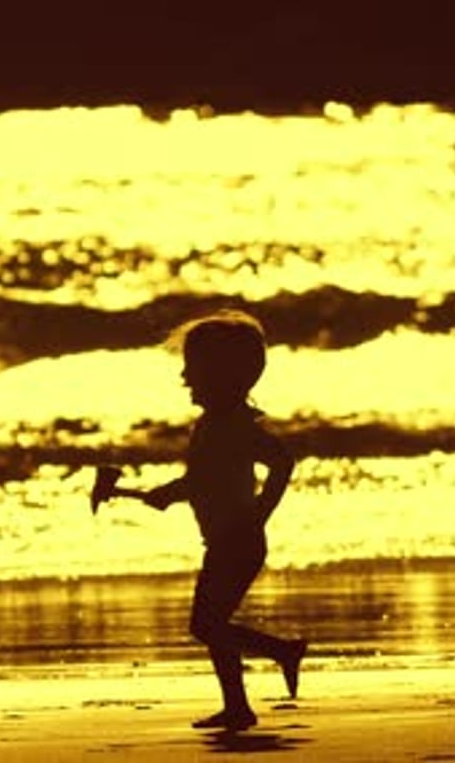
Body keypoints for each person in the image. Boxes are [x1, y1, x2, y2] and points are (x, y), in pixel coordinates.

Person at [90, 309, 306, 732]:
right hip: (226, 540)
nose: (185, 378)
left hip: (237, 542)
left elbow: (282, 462)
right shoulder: (212, 425)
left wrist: (258, 515)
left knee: (207, 625)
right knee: (209, 624)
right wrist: (168, 494)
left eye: (193, 368)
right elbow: (204, 480)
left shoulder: (234, 426)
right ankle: (273, 662)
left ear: (223, 375)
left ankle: (253, 689)